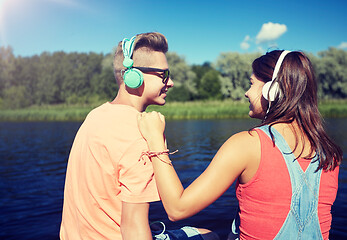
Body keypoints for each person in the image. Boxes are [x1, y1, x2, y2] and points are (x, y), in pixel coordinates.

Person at [137, 50, 342, 240]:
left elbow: (177, 209)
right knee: (209, 235)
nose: (246, 92)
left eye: (252, 84)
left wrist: (155, 138)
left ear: (272, 90)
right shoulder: (330, 153)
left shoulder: (247, 144)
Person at [60, 32, 218, 240]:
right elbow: (133, 229)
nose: (170, 83)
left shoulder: (95, 115)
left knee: (204, 233)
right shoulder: (139, 133)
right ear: (133, 76)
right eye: (164, 74)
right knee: (212, 236)